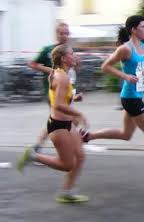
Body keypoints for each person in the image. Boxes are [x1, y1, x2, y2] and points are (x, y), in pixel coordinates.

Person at [81, 15, 144, 185]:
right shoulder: (125, 49)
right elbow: (105, 66)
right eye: (142, 27)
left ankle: (88, 136)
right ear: (133, 29)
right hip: (131, 98)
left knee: (126, 135)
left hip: (136, 95)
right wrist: (124, 75)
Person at [17, 44, 89, 203]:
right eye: (72, 53)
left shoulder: (60, 73)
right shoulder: (61, 76)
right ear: (64, 58)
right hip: (58, 126)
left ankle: (67, 192)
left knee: (81, 156)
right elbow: (57, 105)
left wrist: (74, 99)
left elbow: (59, 98)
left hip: (67, 124)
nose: (74, 55)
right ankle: (34, 156)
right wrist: (79, 114)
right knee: (67, 165)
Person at [28, 22, 82, 154]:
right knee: (68, 119)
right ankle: (68, 148)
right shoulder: (48, 50)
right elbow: (32, 63)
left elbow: (73, 72)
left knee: (58, 120)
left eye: (67, 33)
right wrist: (51, 70)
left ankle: (38, 148)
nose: (64, 36)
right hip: (53, 91)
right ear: (56, 34)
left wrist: (77, 64)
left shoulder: (69, 51)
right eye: (62, 33)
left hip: (67, 91)